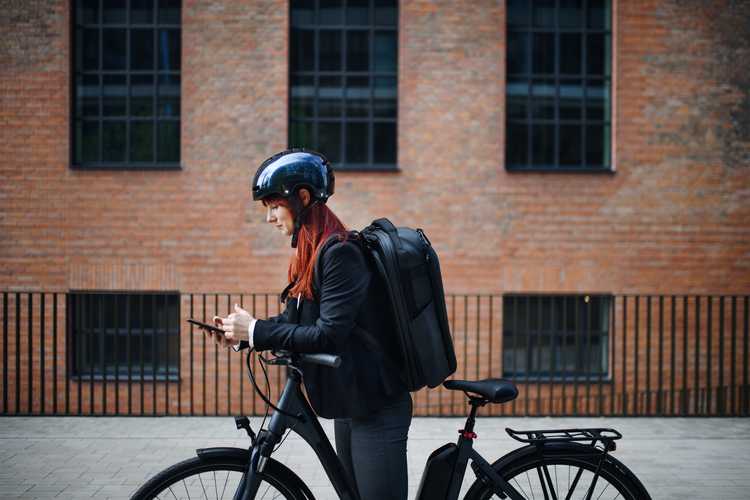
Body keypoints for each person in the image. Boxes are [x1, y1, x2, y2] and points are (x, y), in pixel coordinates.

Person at [200, 149, 412, 500]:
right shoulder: (313, 253)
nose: (269, 218)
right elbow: (295, 322)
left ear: (302, 198)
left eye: (273, 206)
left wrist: (255, 330)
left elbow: (329, 334)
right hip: (351, 402)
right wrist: (242, 336)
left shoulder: (341, 252)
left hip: (377, 406)